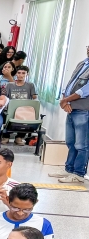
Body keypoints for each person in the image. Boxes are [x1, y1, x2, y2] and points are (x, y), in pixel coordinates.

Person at [55, 46, 89, 184]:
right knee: (71, 142)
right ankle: (69, 169)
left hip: (83, 109)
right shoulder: (83, 63)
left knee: (82, 145)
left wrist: (66, 100)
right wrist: (64, 100)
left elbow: (85, 90)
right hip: (71, 107)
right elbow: (70, 83)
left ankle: (79, 173)